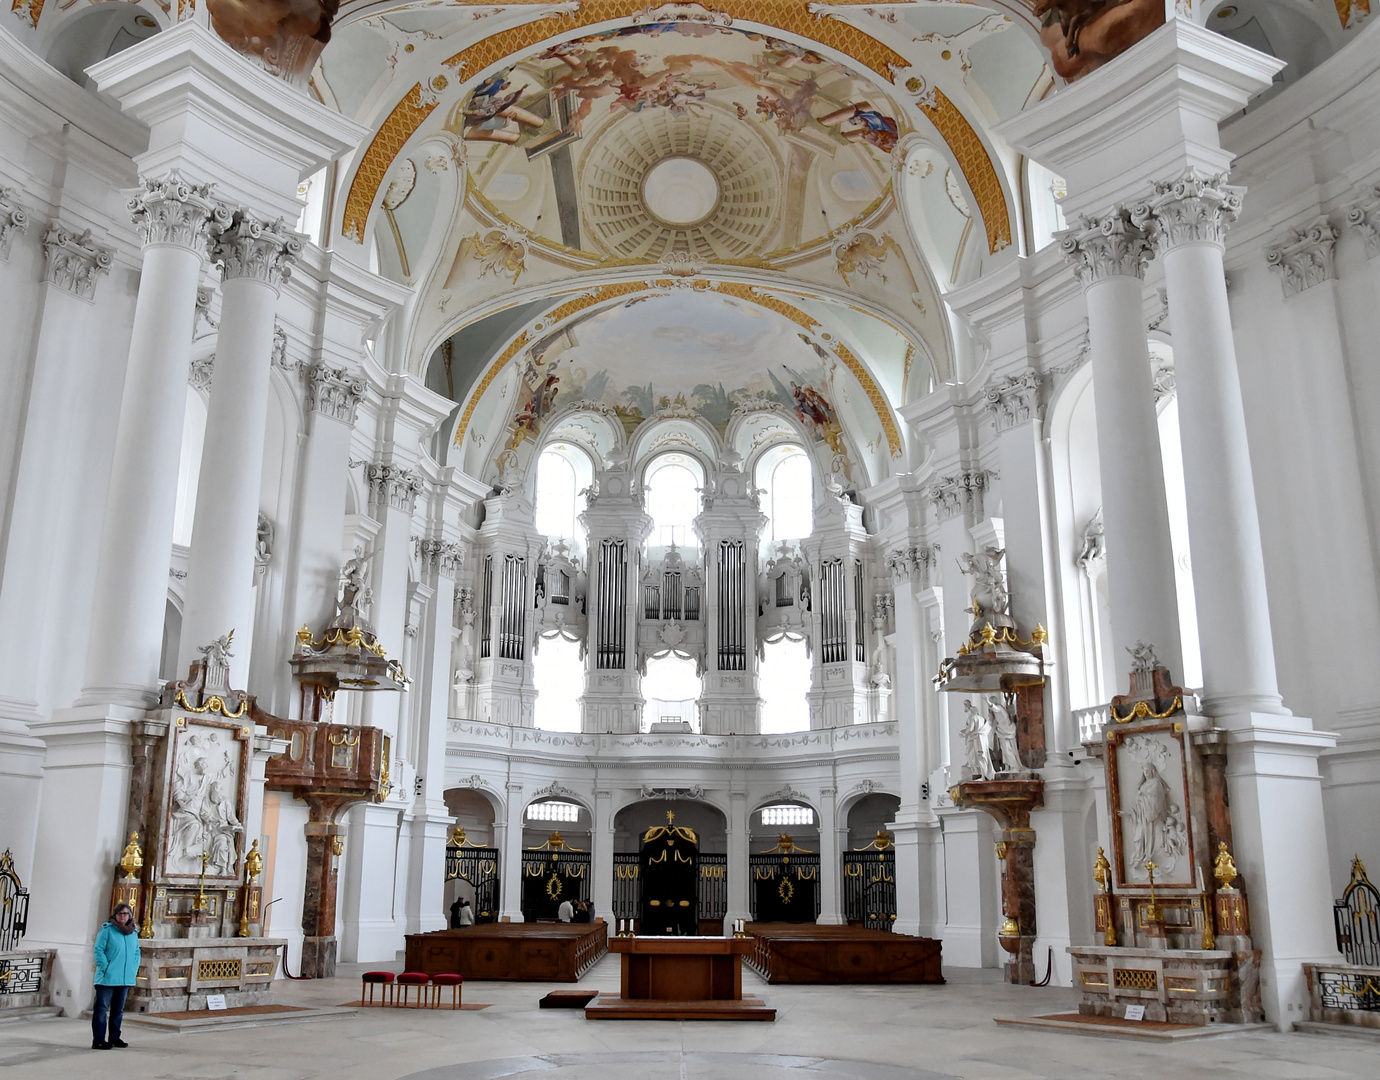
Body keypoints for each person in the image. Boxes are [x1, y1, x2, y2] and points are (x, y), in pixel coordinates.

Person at [92, 903, 140, 1050]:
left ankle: (114, 1037)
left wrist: (133, 968)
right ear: (115, 915)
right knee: (102, 1009)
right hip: (108, 977)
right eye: (120, 914)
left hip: (125, 977)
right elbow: (98, 950)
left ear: (129, 916)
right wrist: (106, 967)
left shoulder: (133, 933)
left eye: (125, 914)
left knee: (118, 1010)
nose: (122, 916)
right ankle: (99, 1039)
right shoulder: (107, 930)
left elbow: (137, 952)